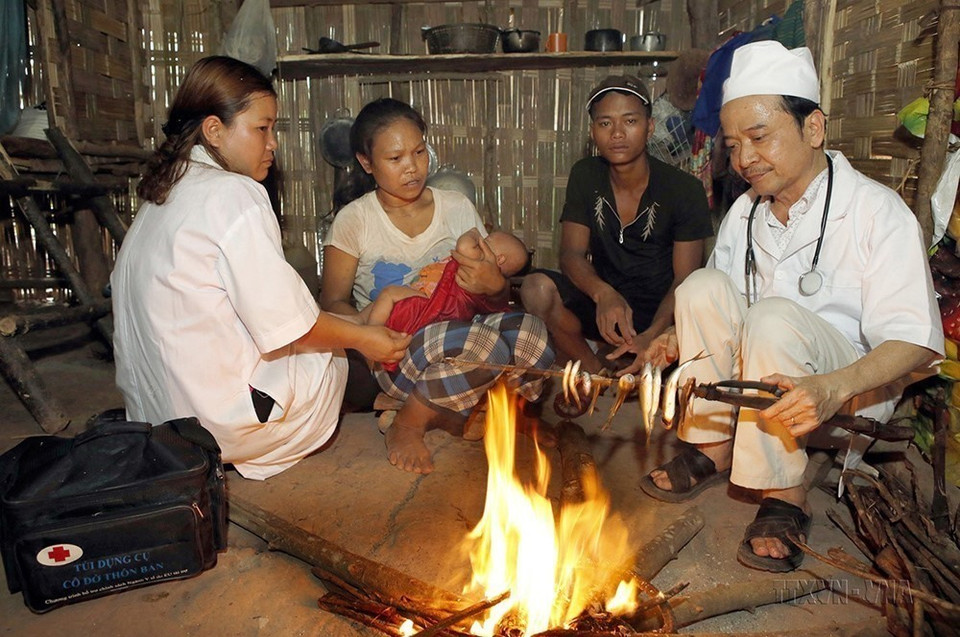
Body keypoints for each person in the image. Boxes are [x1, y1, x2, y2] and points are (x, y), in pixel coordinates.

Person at [640, 41, 943, 572]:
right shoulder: (745, 211)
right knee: (699, 287)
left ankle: (785, 493)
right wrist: (680, 337)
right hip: (755, 390)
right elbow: (722, 305)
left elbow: (916, 339)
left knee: (771, 315)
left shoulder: (876, 211)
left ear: (813, 128)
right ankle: (713, 446)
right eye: (733, 145)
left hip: (844, 391)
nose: (744, 159)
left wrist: (833, 387)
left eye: (759, 137)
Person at [111, 56, 411, 481]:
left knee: (325, 334)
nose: (273, 143)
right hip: (212, 429)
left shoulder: (162, 193)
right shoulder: (234, 193)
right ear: (214, 130)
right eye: (261, 128)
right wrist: (366, 339)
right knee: (334, 357)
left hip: (156, 422)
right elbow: (294, 328)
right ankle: (383, 399)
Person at [321, 97, 554, 475]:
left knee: (532, 333)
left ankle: (505, 414)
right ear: (366, 163)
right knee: (484, 345)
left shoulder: (456, 206)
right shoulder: (355, 220)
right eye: (395, 159)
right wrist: (369, 333)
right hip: (395, 346)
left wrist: (496, 285)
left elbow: (489, 294)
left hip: (463, 333)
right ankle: (408, 423)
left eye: (418, 151)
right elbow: (332, 302)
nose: (412, 168)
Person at [520, 75, 713, 376]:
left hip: (662, 313)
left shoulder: (684, 190)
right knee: (536, 288)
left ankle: (646, 362)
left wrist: (654, 334)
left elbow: (684, 282)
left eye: (630, 121)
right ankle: (595, 371)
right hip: (605, 306)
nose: (618, 133)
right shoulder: (586, 176)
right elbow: (571, 254)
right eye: (606, 123)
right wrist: (602, 294)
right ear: (593, 131)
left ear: (649, 127)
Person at [364, 229, 530, 365]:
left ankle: (370, 336)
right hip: (436, 305)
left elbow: (464, 245)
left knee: (389, 293)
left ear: (498, 259)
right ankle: (363, 327)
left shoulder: (478, 264)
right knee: (384, 302)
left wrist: (474, 233)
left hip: (431, 303)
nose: (481, 240)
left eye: (487, 240)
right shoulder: (479, 274)